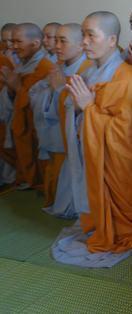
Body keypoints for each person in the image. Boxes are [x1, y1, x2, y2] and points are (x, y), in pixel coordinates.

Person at [51, 11, 132, 267]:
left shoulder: (126, 79)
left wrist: (89, 109)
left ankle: (119, 223)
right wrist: (80, 108)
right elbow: (79, 110)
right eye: (83, 35)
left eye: (91, 35)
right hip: (97, 158)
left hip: (122, 167)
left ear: (112, 40)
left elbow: (128, 135)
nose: (84, 42)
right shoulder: (91, 72)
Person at [29, 23, 92, 216]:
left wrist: (58, 90)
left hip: (74, 137)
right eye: (55, 40)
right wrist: (54, 91)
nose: (56, 46)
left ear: (81, 45)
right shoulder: (57, 67)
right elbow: (33, 93)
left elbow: (84, 108)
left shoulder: (88, 69)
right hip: (55, 135)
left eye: (62, 41)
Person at [0, 23, 54, 190]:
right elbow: (14, 94)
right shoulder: (23, 64)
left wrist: (17, 88)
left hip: (35, 127)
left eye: (18, 42)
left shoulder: (45, 67)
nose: (13, 47)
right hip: (20, 122)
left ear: (35, 43)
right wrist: (11, 90)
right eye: (12, 42)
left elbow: (43, 104)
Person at [0, 23, 17, 185]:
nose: (9, 45)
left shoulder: (24, 57)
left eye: (12, 41)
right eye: (4, 41)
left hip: (12, 109)